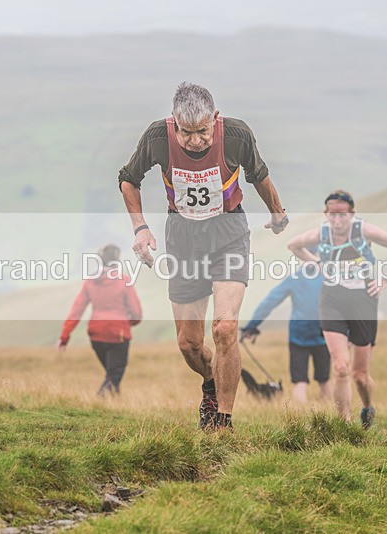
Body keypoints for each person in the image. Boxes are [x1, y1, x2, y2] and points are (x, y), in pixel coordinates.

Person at [118, 82, 288, 430]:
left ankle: (223, 421)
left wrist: (277, 212)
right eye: (187, 133)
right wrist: (140, 229)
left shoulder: (237, 135)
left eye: (203, 132)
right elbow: (128, 178)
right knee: (189, 344)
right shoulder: (157, 138)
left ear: (215, 118)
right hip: (182, 239)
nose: (196, 141)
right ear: (174, 124)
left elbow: (259, 175)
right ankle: (211, 383)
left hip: (228, 234)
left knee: (224, 329)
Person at [287, 190, 387, 429]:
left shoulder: (363, 231)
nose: (337, 221)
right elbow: (294, 245)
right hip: (332, 301)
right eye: (332, 215)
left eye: (342, 215)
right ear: (326, 214)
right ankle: (345, 426)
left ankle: (367, 407)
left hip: (363, 302)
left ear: (351, 214)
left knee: (360, 376)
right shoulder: (322, 234)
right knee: (340, 367)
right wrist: (318, 264)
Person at [240, 261, 333, 404]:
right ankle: (331, 415)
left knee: (300, 381)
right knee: (324, 380)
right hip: (323, 334)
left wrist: (252, 326)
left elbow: (270, 301)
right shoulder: (328, 277)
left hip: (298, 335)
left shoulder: (294, 278)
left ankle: (299, 421)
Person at [57, 244, 143, 397]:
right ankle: (98, 402)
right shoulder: (124, 280)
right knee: (114, 376)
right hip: (119, 334)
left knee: (111, 374)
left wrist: (64, 337)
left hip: (96, 334)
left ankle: (114, 404)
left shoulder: (90, 282)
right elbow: (136, 314)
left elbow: (76, 310)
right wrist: (126, 323)